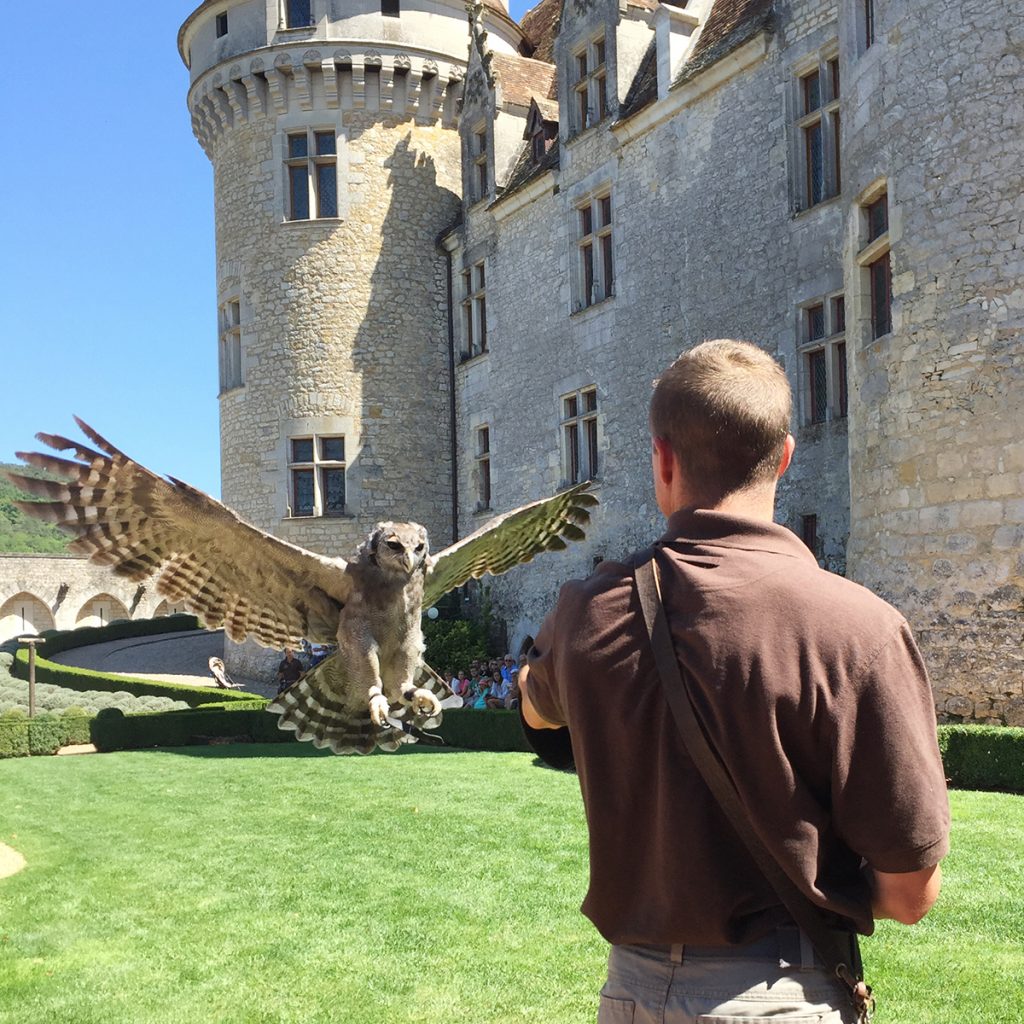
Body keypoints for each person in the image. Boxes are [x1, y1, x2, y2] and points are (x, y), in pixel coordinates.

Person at [519, 340, 950, 1023]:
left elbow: (535, 708)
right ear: (783, 456)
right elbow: (909, 896)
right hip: (781, 993)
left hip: (628, 993)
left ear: (661, 460)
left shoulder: (584, 611)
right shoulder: (859, 630)